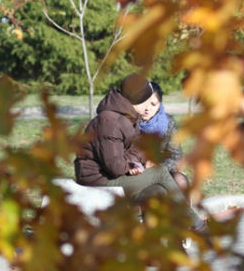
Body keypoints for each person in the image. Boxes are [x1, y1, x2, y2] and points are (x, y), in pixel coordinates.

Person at [74, 73, 206, 232]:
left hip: (113, 174)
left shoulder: (128, 116)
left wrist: (133, 163)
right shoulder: (109, 121)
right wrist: (130, 164)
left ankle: (156, 237)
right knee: (160, 173)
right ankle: (197, 225)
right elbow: (115, 166)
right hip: (97, 180)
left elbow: (139, 149)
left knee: (159, 190)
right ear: (137, 100)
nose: (148, 107)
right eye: (147, 101)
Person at [134, 81, 190, 193]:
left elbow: (176, 156)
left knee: (181, 180)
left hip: (164, 169)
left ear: (160, 104)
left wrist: (158, 166)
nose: (147, 108)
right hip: (137, 171)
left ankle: (186, 210)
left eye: (153, 104)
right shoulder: (130, 122)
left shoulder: (168, 123)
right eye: (144, 103)